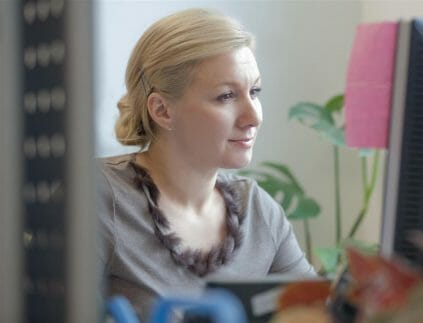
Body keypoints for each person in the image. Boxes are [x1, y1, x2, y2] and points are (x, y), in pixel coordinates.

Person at [96, 8, 315, 318]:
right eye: (226, 96)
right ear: (162, 110)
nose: (253, 117)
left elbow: (318, 312)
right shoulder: (98, 199)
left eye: (254, 91)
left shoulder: (256, 211)